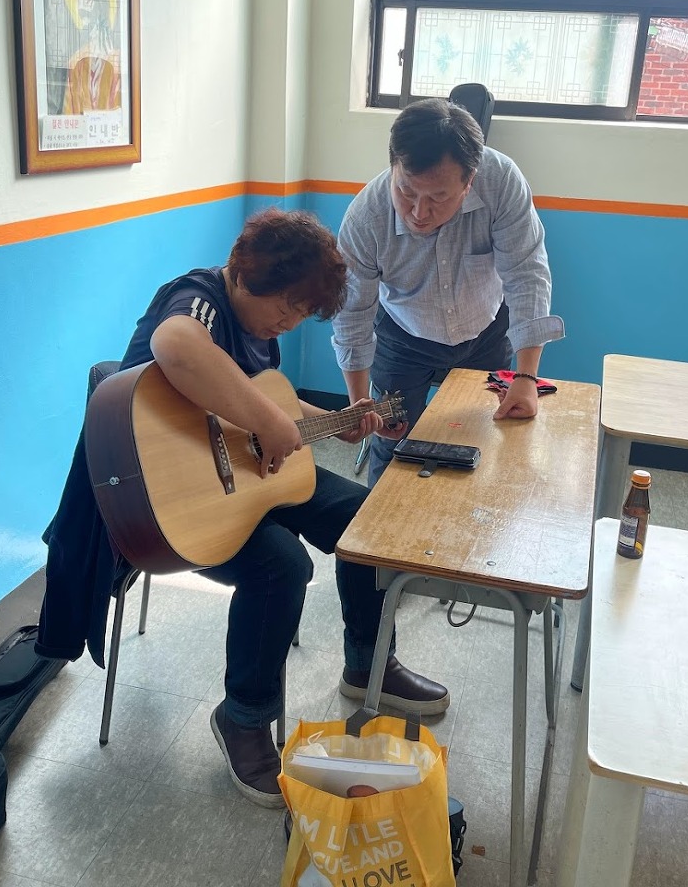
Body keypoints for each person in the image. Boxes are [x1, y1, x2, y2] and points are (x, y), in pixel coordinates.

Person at [37, 208, 448, 810]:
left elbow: (266, 405)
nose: (288, 321)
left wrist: (338, 422)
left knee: (367, 520)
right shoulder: (198, 298)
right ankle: (244, 718)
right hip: (166, 503)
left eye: (302, 314)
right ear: (245, 271)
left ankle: (368, 664)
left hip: (249, 485)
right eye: (285, 305)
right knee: (282, 566)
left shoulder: (262, 333)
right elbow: (176, 346)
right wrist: (268, 421)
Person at [331, 98, 565, 485]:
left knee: (480, 441)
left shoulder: (501, 181)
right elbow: (352, 313)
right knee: (392, 446)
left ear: (469, 182)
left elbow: (526, 273)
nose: (419, 212)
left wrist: (526, 377)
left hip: (485, 332)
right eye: (406, 192)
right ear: (393, 166)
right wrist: (360, 403)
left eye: (438, 198)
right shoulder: (366, 218)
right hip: (402, 337)